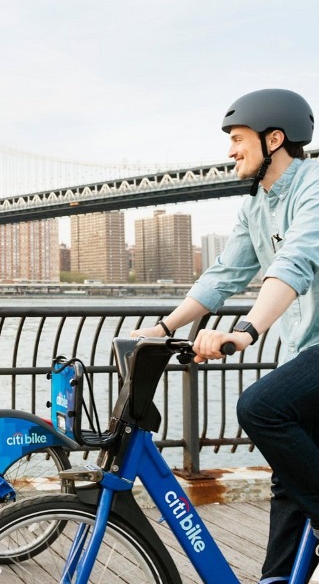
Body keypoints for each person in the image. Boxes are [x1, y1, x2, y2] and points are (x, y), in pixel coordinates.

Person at [132, 88, 319, 584]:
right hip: (311, 349)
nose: (230, 150)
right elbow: (222, 276)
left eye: (238, 139)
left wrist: (246, 330)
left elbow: (295, 262)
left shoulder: (315, 185)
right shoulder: (256, 205)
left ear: (273, 139)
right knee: (290, 480)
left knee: (261, 408)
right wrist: (163, 327)